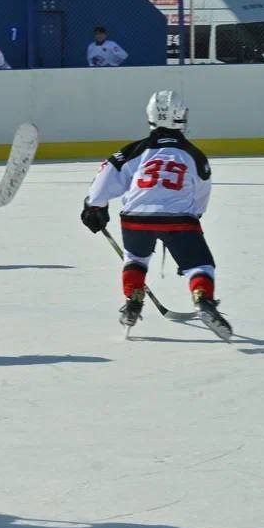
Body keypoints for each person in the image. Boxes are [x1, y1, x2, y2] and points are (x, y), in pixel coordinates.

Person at [79, 90, 231, 340]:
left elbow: (105, 176)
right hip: (179, 220)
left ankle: (133, 300)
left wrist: (94, 206)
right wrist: (193, 217)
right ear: (182, 116)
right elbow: (202, 191)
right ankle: (203, 299)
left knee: (135, 259)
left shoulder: (133, 150)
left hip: (135, 218)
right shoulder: (194, 154)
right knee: (200, 265)